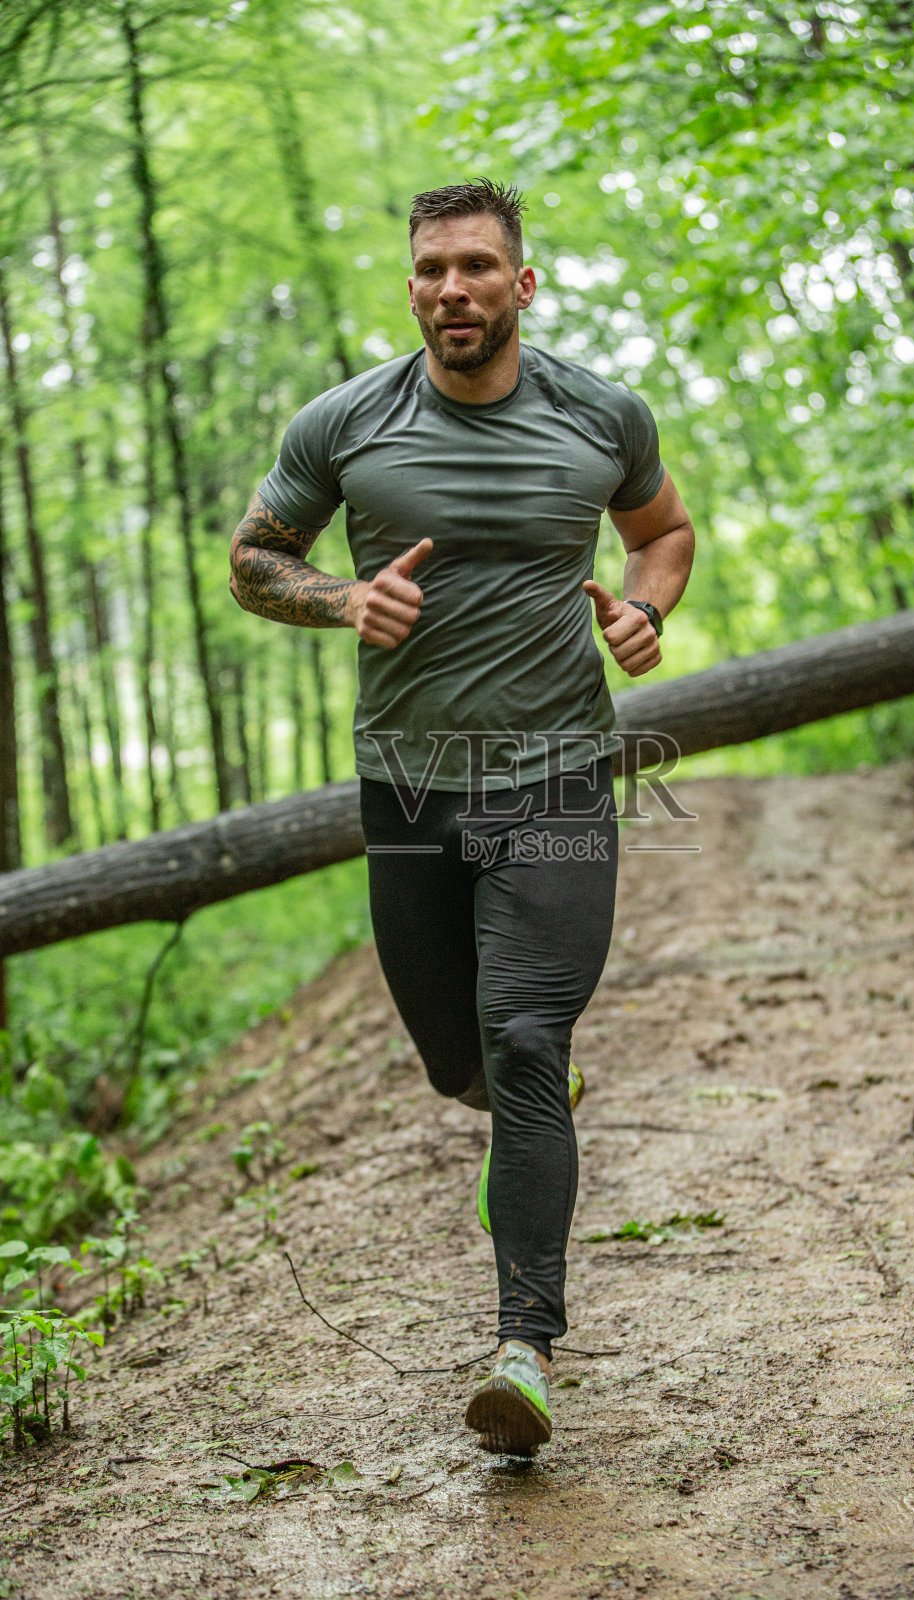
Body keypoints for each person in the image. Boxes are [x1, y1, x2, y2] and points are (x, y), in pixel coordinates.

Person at [228, 178, 694, 1455]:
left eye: (477, 266)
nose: (451, 289)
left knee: (526, 1032)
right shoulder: (349, 421)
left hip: (552, 777)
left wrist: (647, 608)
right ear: (414, 284)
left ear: (521, 285)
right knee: (458, 1062)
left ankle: (520, 1348)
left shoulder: (601, 414)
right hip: (408, 788)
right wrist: (341, 600)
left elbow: (663, 530)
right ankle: (519, 1099)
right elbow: (254, 559)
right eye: (431, 268)